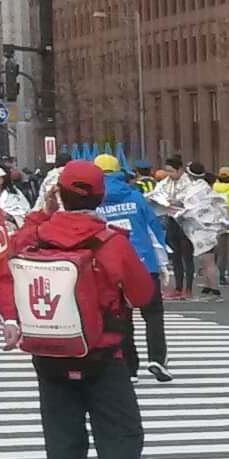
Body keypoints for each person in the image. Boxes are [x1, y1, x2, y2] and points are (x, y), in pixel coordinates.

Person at [5, 161, 170, 459]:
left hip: (48, 350)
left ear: (57, 193)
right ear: (100, 195)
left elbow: (12, 258)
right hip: (101, 352)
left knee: (62, 436)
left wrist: (42, 210)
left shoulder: (34, 237)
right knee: (121, 434)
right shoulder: (110, 241)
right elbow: (143, 295)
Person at [92, 156, 173, 384]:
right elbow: (153, 229)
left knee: (122, 316)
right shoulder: (136, 196)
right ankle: (157, 358)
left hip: (111, 265)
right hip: (143, 262)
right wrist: (162, 262)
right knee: (153, 313)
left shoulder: (95, 200)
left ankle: (129, 367)